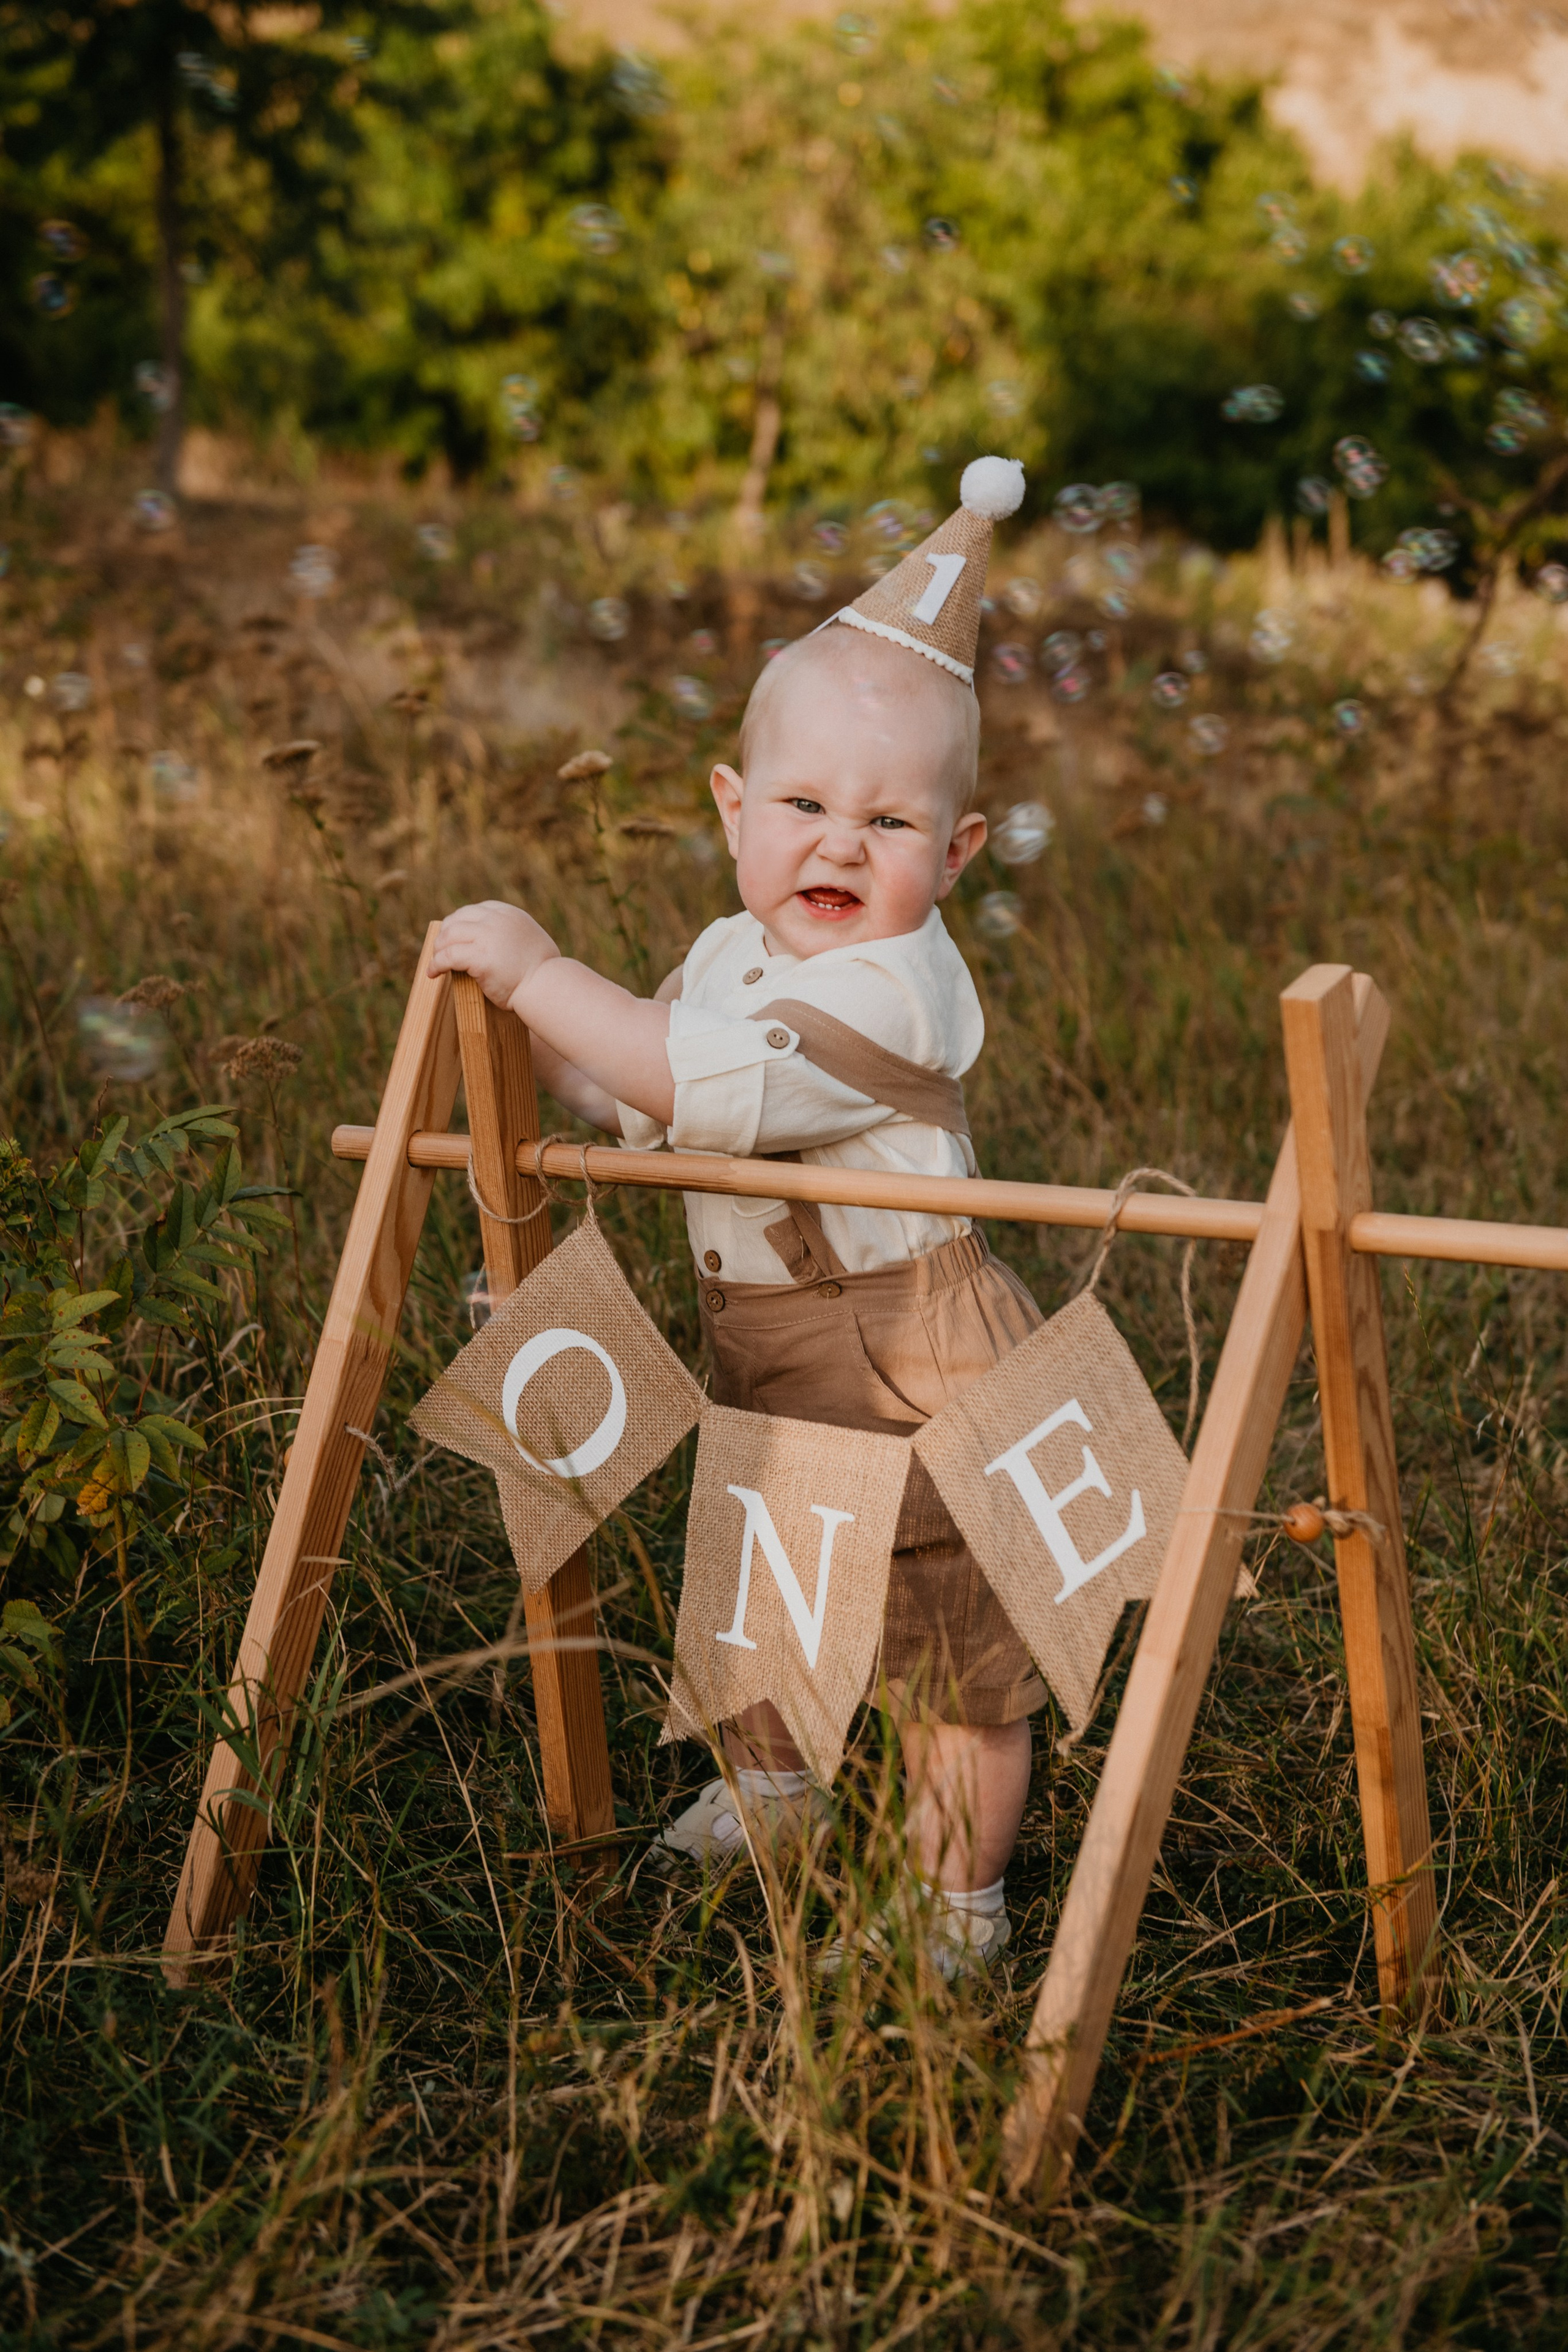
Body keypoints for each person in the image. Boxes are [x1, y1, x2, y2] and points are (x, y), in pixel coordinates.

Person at [429, 456, 1045, 1980]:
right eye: (803, 805)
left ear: (954, 855)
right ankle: (774, 1790)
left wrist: (540, 969)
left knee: (948, 1646)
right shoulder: (726, 954)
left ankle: (951, 1905)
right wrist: (532, 1042)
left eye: (889, 821)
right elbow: (628, 1087)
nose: (839, 844)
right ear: (731, 810)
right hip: (772, 1343)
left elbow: (684, 1073)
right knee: (773, 1558)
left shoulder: (898, 990)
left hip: (918, 1362)